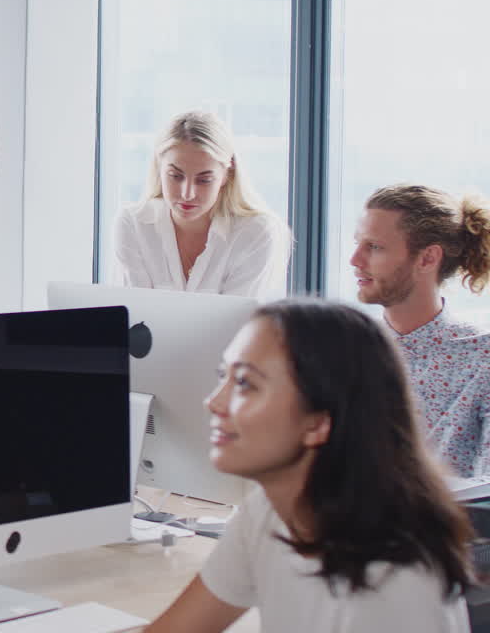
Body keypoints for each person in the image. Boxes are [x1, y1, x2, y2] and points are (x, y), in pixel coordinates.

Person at [147, 300, 473, 633]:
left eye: (244, 383)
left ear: (319, 423)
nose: (213, 401)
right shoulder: (269, 510)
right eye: (223, 376)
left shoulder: (392, 586)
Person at [350, 183, 490, 478]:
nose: (355, 260)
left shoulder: (482, 360)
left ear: (427, 258)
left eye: (374, 247)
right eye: (357, 244)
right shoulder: (343, 351)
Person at [114, 111, 289, 298]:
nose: (187, 194)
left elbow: (238, 321)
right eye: (176, 176)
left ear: (226, 175)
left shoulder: (255, 233)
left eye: (204, 180)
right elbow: (134, 314)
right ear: (159, 168)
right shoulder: (134, 224)